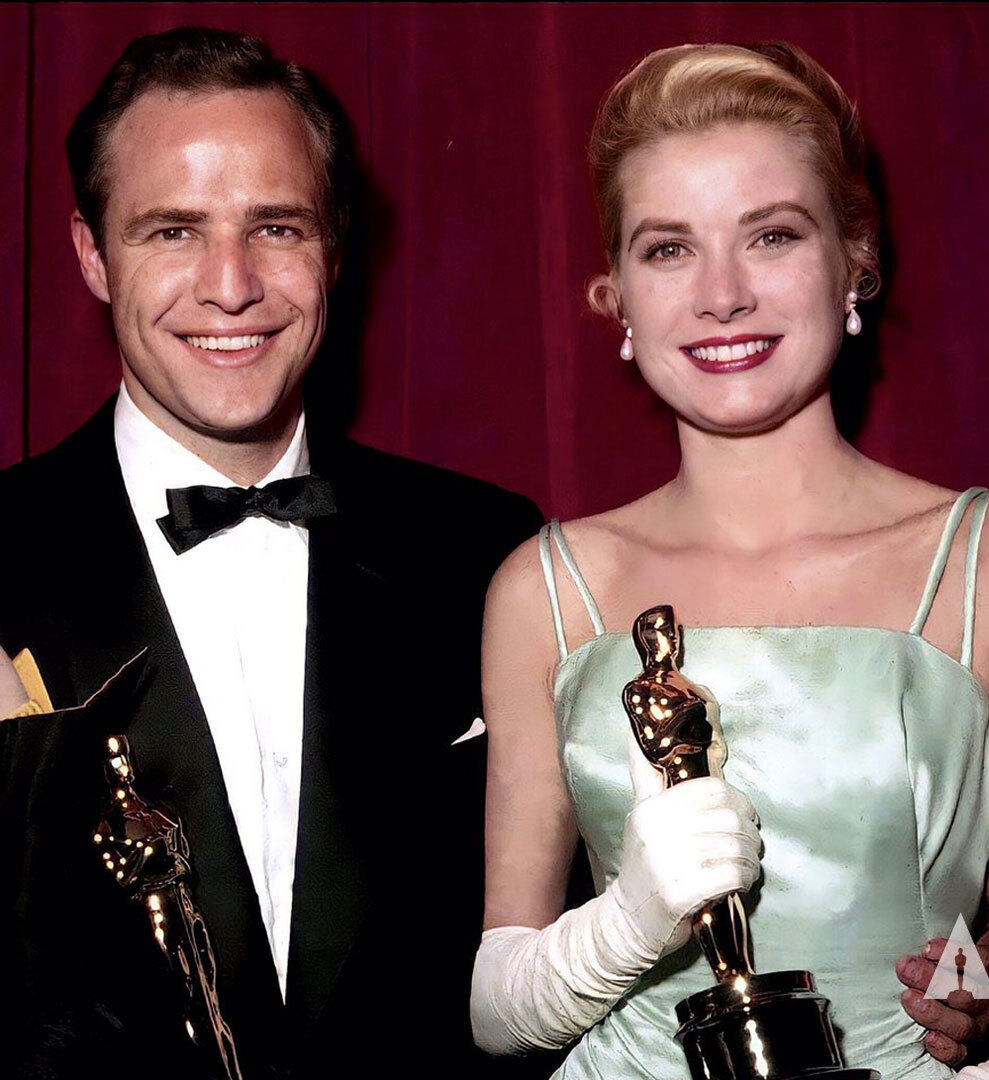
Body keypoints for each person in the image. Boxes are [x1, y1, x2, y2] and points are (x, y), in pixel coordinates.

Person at [470, 42, 989, 1079]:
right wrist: (628, 921)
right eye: (668, 249)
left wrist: (985, 1029)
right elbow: (497, 1005)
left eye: (773, 236)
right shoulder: (546, 588)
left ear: (856, 262)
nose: (721, 295)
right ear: (616, 296)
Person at [0, 27, 542, 1079]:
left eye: (277, 227)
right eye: (172, 232)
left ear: (334, 245)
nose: (232, 284)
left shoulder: (488, 552)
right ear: (89, 254)